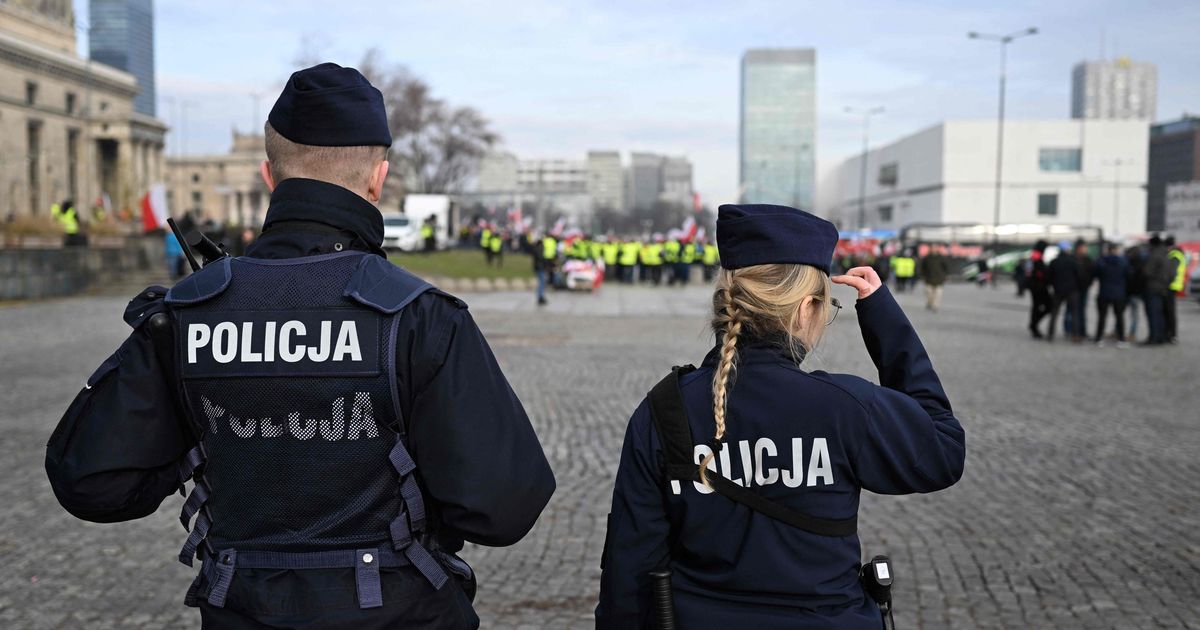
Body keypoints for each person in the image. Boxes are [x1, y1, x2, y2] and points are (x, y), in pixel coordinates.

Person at [45, 63, 555, 629]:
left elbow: (92, 481)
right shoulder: (418, 316)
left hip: (243, 608)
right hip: (400, 608)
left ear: (270, 176)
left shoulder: (186, 316)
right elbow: (504, 507)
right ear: (377, 178)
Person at [595, 203, 965, 629]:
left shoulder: (663, 409)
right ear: (807, 308)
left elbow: (630, 565)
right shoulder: (843, 406)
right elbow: (943, 449)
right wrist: (884, 320)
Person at [1093, 242, 1130, 347]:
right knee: (1119, 317)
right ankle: (1121, 339)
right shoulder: (1123, 262)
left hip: (1104, 292)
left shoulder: (1102, 261)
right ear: (1116, 250)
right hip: (1119, 293)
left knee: (1102, 317)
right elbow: (1129, 275)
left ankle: (1098, 338)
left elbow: (1095, 274)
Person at [1047, 242, 1082, 342]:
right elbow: (1079, 276)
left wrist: (1054, 286)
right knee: (1074, 313)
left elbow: (1050, 277)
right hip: (1072, 290)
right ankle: (1075, 335)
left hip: (1058, 290)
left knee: (1054, 313)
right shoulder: (1073, 261)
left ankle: (1050, 333)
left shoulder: (1054, 261)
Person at [1142, 235, 1171, 345]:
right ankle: (1161, 336)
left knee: (1152, 313)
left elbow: (1147, 272)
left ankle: (1153, 338)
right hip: (1163, 287)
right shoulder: (1165, 254)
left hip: (1152, 287)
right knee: (1160, 314)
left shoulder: (1154, 255)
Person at [1027, 241, 1053, 338]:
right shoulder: (1037, 258)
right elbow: (1041, 274)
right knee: (1048, 306)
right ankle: (1034, 325)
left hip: (1035, 287)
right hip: (1039, 288)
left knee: (1036, 307)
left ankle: (1034, 325)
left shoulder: (1034, 257)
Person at [1165, 236, 1186, 344]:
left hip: (1171, 286)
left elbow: (1172, 272)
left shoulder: (1174, 255)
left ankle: (1172, 335)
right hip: (1174, 286)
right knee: (1170, 311)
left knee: (1170, 312)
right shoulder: (1178, 254)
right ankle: (1171, 334)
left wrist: (1166, 282)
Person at [919, 244, 949, 312]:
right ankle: (930, 302)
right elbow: (922, 267)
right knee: (929, 293)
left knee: (938, 293)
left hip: (939, 278)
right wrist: (923, 275)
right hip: (928, 278)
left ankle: (935, 305)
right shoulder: (927, 257)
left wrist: (946, 275)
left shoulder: (941, 258)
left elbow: (946, 267)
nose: (934, 249)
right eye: (932, 248)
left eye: (935, 248)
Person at [1125, 245, 1145, 342]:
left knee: (1131, 314)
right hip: (1135, 292)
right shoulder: (1142, 263)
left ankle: (1131, 333)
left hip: (1131, 292)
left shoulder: (1130, 263)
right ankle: (1132, 333)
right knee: (1134, 314)